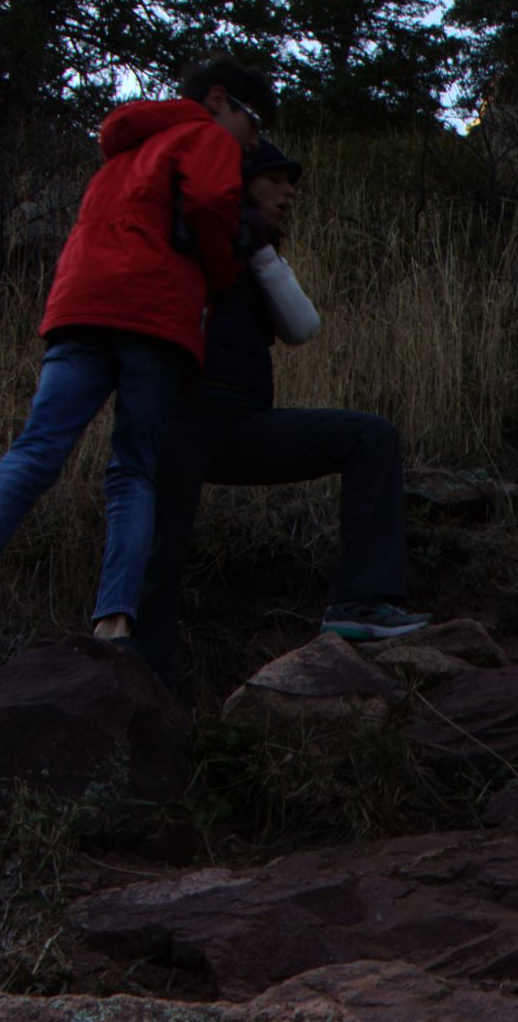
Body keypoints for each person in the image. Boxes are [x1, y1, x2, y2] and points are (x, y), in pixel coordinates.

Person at [0, 57, 272, 684]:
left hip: (79, 305)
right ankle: (114, 629)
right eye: (253, 120)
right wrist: (220, 271)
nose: (254, 140)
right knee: (132, 470)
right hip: (152, 315)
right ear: (218, 100)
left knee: (34, 451)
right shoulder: (205, 134)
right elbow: (210, 200)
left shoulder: (126, 145)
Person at [132, 133, 430, 691]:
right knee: (159, 554)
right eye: (275, 177)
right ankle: (137, 684)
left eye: (290, 179)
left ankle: (361, 603)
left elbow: (303, 327)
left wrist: (260, 248)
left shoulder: (260, 251)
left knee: (370, 437)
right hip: (182, 419)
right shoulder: (188, 234)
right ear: (238, 184)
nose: (290, 190)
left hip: (244, 424)